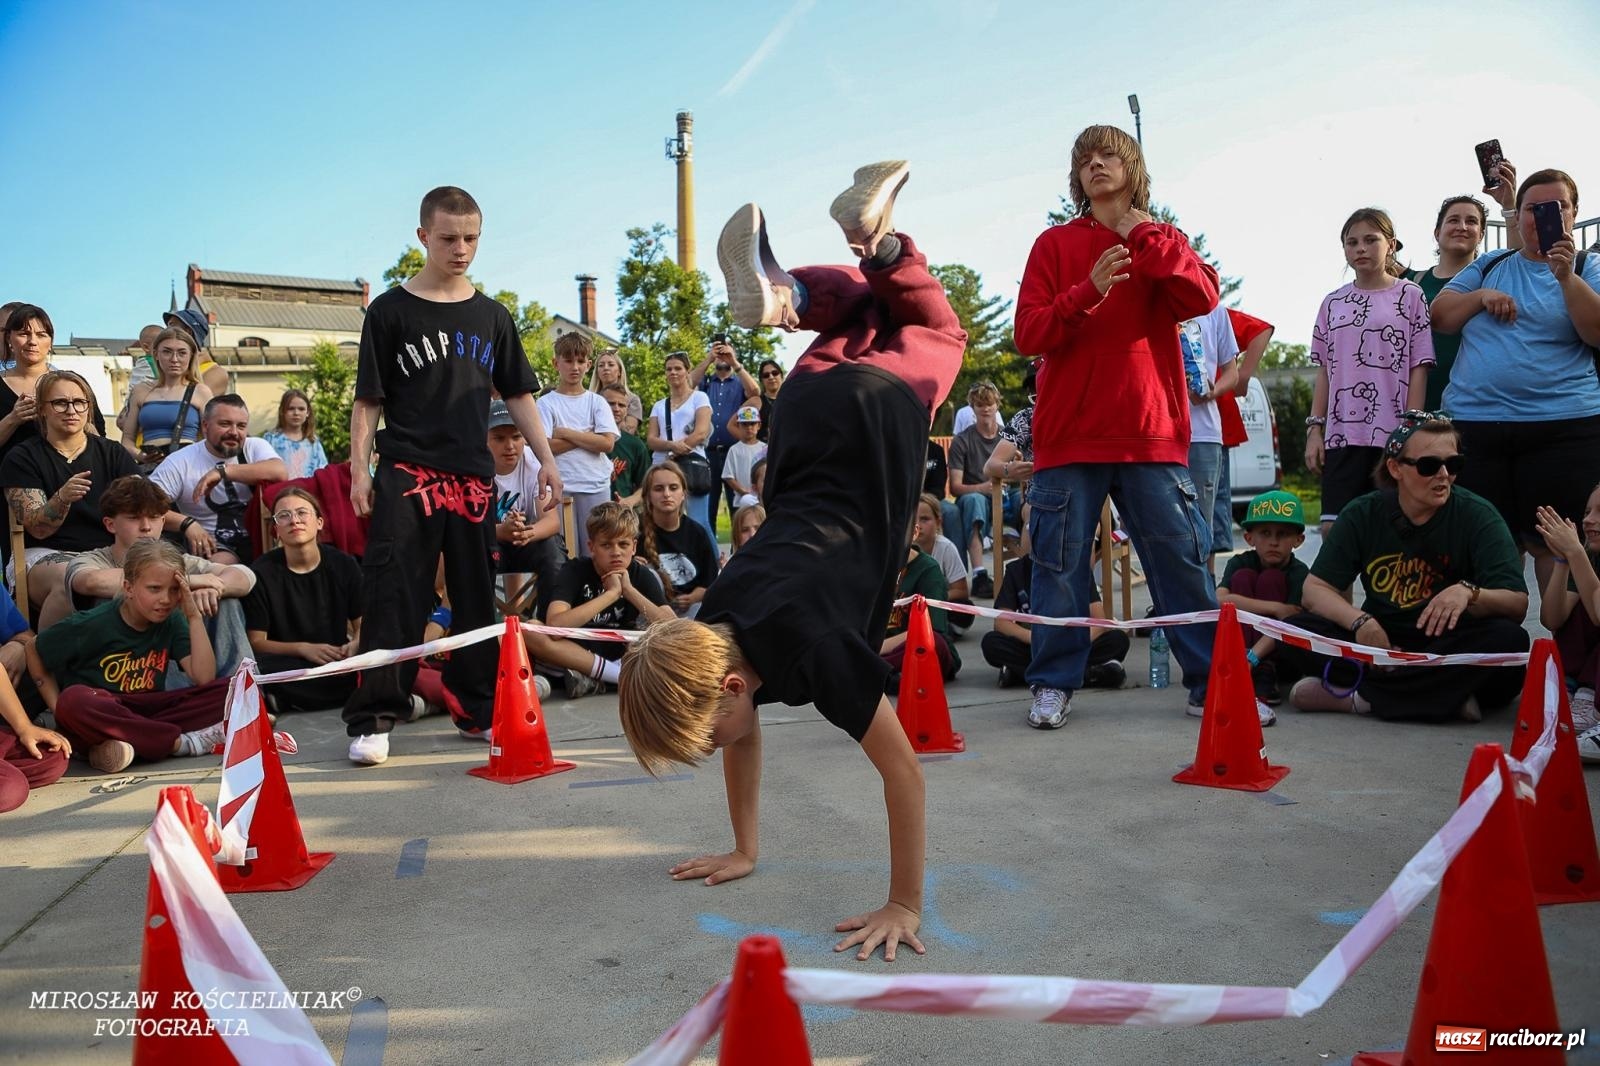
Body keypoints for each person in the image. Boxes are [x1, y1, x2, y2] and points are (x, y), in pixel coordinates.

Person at [619, 160, 963, 962]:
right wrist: (744, 849)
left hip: (874, 420)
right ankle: (795, 296)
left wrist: (903, 903)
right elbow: (740, 730)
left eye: (705, 740)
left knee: (944, 335)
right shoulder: (716, 628)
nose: (718, 750)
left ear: (730, 687)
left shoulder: (816, 655)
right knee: (870, 304)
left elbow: (904, 774)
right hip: (802, 415)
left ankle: (862, 248)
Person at [345, 185, 562, 767]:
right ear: (423, 237)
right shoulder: (389, 310)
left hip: (471, 476)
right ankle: (373, 718)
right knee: (395, 594)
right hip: (406, 470)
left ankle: (474, 707)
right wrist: (360, 471)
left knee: (475, 600)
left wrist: (547, 459)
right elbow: (368, 400)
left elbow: (518, 393)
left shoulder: (492, 316)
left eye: (471, 238)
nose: (461, 248)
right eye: (448, 238)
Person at [1014, 124, 1221, 728]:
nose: (1096, 165)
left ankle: (1211, 685)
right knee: (1057, 566)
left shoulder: (1160, 238)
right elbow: (1028, 333)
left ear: (1132, 166)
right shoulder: (1053, 244)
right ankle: (1053, 684)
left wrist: (1140, 231)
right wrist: (1087, 291)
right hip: (1069, 433)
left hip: (1150, 429)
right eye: (1085, 160)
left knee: (1180, 560)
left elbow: (1201, 295)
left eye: (1109, 155)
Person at [1284, 413, 1529, 722]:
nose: (1443, 475)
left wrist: (1469, 593)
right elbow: (1314, 590)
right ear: (1395, 467)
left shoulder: (1478, 515)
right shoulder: (1364, 513)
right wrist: (1362, 622)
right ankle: (1444, 699)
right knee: (1299, 629)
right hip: (1381, 642)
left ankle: (1360, 699)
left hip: (1448, 645)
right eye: (1429, 466)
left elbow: (1517, 604)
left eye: (1453, 465)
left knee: (1510, 641)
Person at [1430, 168, 1600, 598]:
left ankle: (1566, 654)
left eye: (1556, 207)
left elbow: (1596, 332)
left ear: (1574, 213)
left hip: (1562, 429)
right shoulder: (1491, 264)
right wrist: (1481, 296)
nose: (1542, 217)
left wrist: (1565, 277)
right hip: (1477, 427)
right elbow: (1442, 315)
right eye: (1531, 208)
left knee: (1557, 548)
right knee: (1489, 546)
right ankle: (1495, 653)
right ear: (1518, 216)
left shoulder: (1588, 266)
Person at [26, 539, 227, 774]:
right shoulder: (94, 623)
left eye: (174, 590)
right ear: (129, 588)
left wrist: (193, 617)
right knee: (74, 700)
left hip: (147, 712)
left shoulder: (172, 619)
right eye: (154, 589)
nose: (166, 599)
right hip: (101, 712)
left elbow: (203, 677)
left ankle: (123, 747)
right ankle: (181, 744)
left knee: (231, 690)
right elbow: (33, 648)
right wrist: (58, 708)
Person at [1305, 208, 1435, 534]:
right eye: (1351, 242)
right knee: (1335, 533)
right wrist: (1314, 430)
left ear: (1390, 244)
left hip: (1393, 436)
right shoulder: (1332, 303)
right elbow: (1325, 370)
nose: (1360, 248)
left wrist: (1412, 429)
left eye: (1370, 240)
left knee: (1393, 534)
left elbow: (1419, 364)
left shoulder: (1410, 295)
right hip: (1342, 436)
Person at [1, 370, 139, 613]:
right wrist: (62, 498)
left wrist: (187, 524)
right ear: (42, 409)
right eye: (60, 403)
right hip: (45, 554)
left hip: (108, 552)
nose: (71, 410)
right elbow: (39, 529)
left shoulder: (113, 452)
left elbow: (144, 505)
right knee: (69, 578)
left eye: (79, 402)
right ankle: (47, 650)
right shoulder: (22, 457)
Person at [55, 475, 255, 630]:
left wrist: (214, 588)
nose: (146, 527)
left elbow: (245, 576)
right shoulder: (92, 559)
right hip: (117, 666)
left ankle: (234, 680)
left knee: (226, 600)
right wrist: (187, 583)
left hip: (180, 662)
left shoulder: (177, 560)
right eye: (134, 518)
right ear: (110, 524)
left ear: (162, 521)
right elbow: (91, 581)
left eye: (153, 518)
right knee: (118, 597)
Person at [524, 502, 673, 699]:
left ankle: (596, 680)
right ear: (591, 547)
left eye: (623, 544)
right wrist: (610, 595)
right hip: (573, 655)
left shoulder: (641, 575)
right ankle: (618, 677)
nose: (616, 552)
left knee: (671, 639)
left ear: (634, 547)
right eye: (606, 545)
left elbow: (672, 626)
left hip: (621, 655)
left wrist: (628, 591)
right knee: (529, 629)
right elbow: (555, 625)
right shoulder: (574, 570)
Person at [244, 487, 365, 716]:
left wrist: (355, 644)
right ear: (275, 530)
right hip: (289, 662)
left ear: (319, 522)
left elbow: (363, 623)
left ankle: (285, 701)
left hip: (336, 658)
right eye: (284, 516)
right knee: (258, 669)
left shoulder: (343, 564)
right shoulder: (261, 572)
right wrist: (302, 649)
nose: (294, 521)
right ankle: (349, 692)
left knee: (374, 655)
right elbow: (257, 642)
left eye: (302, 513)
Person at [982, 504, 1129, 691]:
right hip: (1033, 644)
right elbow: (1001, 623)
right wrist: (1036, 638)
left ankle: (1024, 674)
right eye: (1032, 528)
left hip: (1072, 643)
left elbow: (1099, 622)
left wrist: (1070, 641)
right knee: (992, 643)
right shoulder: (1016, 570)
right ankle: (1088, 674)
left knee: (1117, 640)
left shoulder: (1078, 569)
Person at [151, 395, 287, 566]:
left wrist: (222, 471)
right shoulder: (180, 462)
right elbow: (145, 506)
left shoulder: (254, 447)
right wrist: (187, 524)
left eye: (241, 426)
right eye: (225, 424)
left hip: (263, 541)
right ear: (205, 426)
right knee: (224, 569)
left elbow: (280, 471)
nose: (234, 432)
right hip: (214, 548)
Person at [1215, 490, 1310, 713]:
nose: (1273, 542)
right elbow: (1219, 600)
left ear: (1299, 540)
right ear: (1249, 538)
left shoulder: (1299, 573)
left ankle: (1264, 670)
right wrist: (1275, 608)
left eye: (1283, 534)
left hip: (1282, 659)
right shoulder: (1239, 562)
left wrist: (1253, 658)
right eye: (1265, 533)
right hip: (1243, 653)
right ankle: (1244, 666)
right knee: (1243, 577)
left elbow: (1289, 622)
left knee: (1271, 579)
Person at [538, 332, 619, 557]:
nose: (575, 367)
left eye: (581, 361)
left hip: (595, 484)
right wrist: (587, 437)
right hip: (560, 485)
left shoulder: (597, 402)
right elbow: (545, 446)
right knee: (564, 552)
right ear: (556, 363)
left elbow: (607, 443)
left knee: (596, 550)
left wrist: (565, 433)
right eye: (569, 360)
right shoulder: (546, 403)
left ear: (588, 364)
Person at [1, 305, 108, 465]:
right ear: (9, 339)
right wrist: (13, 419)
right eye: (24, 334)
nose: (32, 342)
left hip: (72, 477)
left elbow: (99, 439)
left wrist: (80, 424)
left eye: (41, 335)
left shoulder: (73, 383)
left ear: (51, 342)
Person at [488, 399, 565, 618]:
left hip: (528, 542)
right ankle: (485, 632)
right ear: (484, 440)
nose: (510, 445)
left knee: (552, 550)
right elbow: (466, 528)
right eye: (499, 438)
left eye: (516, 436)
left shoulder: (535, 462)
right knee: (472, 551)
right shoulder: (474, 467)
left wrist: (526, 533)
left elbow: (551, 521)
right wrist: (501, 531)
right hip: (493, 543)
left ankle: (550, 627)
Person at [1533, 486, 1600, 735]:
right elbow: (1552, 619)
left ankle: (1589, 698)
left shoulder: (1584, 554)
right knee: (1577, 610)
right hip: (1581, 675)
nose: (1588, 519)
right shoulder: (1592, 555)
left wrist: (1575, 552)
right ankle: (1569, 688)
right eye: (1587, 511)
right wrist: (1562, 561)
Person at [1180, 302, 1240, 566]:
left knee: (1202, 522)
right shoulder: (1152, 299)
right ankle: (1168, 601)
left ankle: (1206, 592)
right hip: (1158, 432)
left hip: (1203, 434)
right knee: (1163, 525)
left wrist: (1212, 392)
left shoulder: (1214, 309)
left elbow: (1232, 373)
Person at [943, 380, 1013, 598]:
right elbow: (955, 487)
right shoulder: (962, 441)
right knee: (974, 501)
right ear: (972, 408)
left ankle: (1031, 570)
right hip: (976, 499)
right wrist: (984, 487)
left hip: (1008, 494)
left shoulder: (1009, 436)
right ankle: (979, 574)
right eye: (980, 404)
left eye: (990, 403)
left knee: (1030, 499)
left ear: (997, 405)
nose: (986, 408)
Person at [122, 325, 211, 471]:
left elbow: (212, 438)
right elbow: (127, 439)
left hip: (189, 468)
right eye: (167, 352)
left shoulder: (201, 391)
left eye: (182, 353)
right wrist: (140, 456)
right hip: (152, 470)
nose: (174, 359)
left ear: (191, 356)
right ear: (156, 354)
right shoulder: (141, 391)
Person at [693, 335, 759, 534]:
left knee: (737, 507)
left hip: (734, 451)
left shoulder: (739, 383)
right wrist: (708, 359)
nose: (722, 354)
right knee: (709, 508)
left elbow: (755, 392)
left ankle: (739, 554)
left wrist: (734, 362)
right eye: (718, 349)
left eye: (726, 349)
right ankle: (713, 559)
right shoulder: (705, 383)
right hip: (709, 452)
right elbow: (688, 383)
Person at [645, 351, 713, 537]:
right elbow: (651, 439)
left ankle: (712, 564)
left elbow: (701, 432)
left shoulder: (700, 398)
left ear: (687, 371)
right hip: (661, 464)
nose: (673, 372)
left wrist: (677, 452)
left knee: (698, 521)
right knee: (660, 519)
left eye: (678, 368)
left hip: (692, 464)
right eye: (669, 369)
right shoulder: (659, 405)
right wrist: (672, 447)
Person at [638, 462, 718, 617]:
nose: (667, 494)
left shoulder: (697, 533)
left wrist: (693, 597)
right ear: (648, 495)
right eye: (658, 489)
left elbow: (710, 584)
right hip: (648, 611)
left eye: (673, 488)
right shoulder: (635, 531)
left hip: (690, 610)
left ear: (683, 494)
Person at [879, 538, 959, 692]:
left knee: (933, 643)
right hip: (879, 651)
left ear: (913, 532)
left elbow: (928, 630)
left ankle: (876, 674)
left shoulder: (927, 569)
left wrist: (875, 649)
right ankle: (885, 675)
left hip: (909, 646)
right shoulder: (868, 566)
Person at [912, 492, 972, 638]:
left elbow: (961, 591)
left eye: (925, 519)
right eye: (913, 520)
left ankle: (937, 630)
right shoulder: (902, 549)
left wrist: (930, 599)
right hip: (909, 607)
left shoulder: (946, 548)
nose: (918, 525)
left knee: (966, 610)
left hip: (936, 603)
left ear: (938, 522)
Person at [261, 388, 329, 480]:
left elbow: (322, 472)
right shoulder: (271, 439)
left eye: (301, 409)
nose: (296, 413)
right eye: (291, 408)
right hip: (280, 492)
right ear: (282, 411)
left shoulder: (313, 442)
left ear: (307, 412)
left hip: (307, 492)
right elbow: (263, 470)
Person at [601, 385, 650, 509]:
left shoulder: (635, 445)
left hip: (622, 514)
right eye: (611, 404)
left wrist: (631, 500)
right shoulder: (586, 439)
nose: (616, 409)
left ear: (627, 410)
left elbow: (646, 484)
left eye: (621, 405)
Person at [587, 348, 643, 435]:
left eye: (611, 364)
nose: (606, 368)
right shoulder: (588, 399)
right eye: (601, 365)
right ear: (597, 372)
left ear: (619, 371)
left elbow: (628, 431)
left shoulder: (632, 399)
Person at [722, 405, 766, 509]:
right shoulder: (734, 450)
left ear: (759, 425)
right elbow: (728, 476)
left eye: (752, 424)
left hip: (761, 499)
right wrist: (743, 491)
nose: (749, 428)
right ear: (738, 426)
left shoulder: (765, 448)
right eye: (745, 424)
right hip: (741, 500)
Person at [752, 358, 784, 441]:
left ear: (781, 376)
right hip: (764, 452)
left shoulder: (792, 400)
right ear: (761, 380)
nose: (771, 377)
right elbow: (732, 425)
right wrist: (753, 446)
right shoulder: (756, 402)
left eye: (775, 373)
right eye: (766, 375)